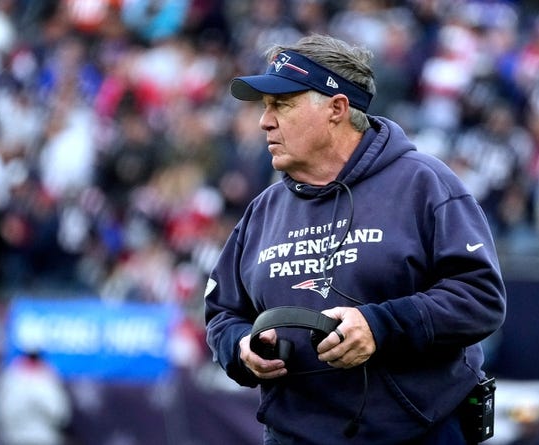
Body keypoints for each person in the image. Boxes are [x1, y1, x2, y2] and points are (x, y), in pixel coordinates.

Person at [204, 33, 507, 445]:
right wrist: (241, 348)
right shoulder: (263, 210)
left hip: (417, 432)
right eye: (265, 107)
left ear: (337, 108)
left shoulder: (424, 183)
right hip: (295, 435)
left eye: (283, 104)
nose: (265, 120)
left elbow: (480, 297)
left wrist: (380, 326)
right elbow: (222, 312)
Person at [0, 349, 74, 445]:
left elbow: (60, 414)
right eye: (30, 357)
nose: (32, 361)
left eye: (35, 357)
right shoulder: (10, 379)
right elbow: (3, 412)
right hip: (16, 438)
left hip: (44, 438)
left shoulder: (50, 379)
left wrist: (39, 400)